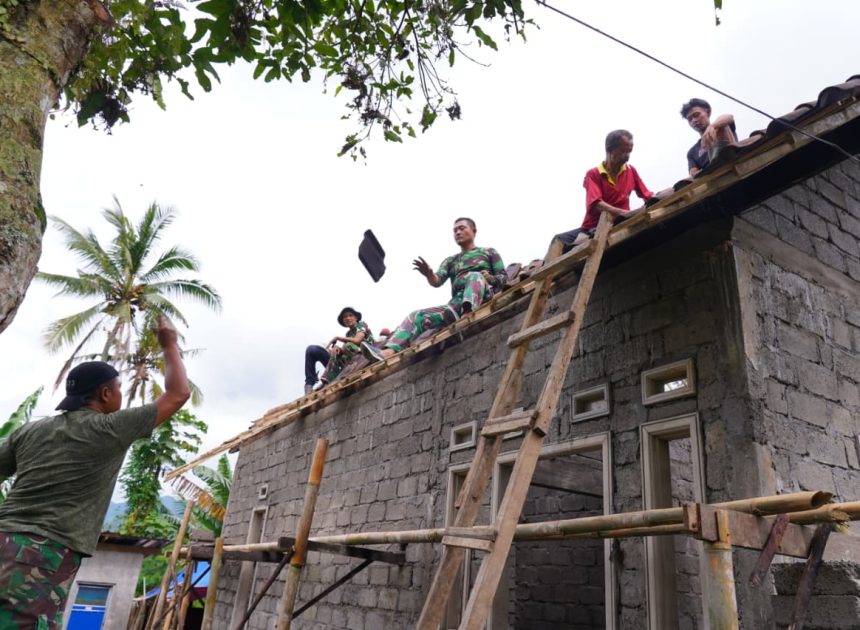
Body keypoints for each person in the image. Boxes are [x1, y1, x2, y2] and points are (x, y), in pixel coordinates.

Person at [0, 316, 190, 627]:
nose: (120, 395)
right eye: (118, 388)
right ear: (104, 394)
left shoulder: (29, 431)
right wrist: (169, 344)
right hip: (42, 553)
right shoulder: (109, 429)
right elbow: (178, 394)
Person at [361, 217, 506, 362]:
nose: (457, 232)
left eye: (462, 228)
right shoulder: (451, 260)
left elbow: (503, 278)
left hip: (482, 297)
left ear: (474, 231)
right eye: (455, 230)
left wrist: (490, 278)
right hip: (456, 307)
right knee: (416, 316)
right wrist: (429, 274)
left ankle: (466, 319)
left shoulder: (488, 252)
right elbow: (437, 281)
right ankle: (387, 353)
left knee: (474, 276)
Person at [554, 130, 653, 252]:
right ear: (609, 150)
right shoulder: (593, 174)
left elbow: (647, 195)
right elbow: (596, 204)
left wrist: (658, 199)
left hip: (619, 222)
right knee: (559, 240)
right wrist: (624, 213)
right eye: (623, 151)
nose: (627, 156)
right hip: (592, 227)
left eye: (629, 151)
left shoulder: (630, 171)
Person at [303, 307, 374, 394]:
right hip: (345, 365)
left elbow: (357, 340)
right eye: (345, 317)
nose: (348, 318)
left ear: (356, 318)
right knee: (312, 350)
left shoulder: (361, 324)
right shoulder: (348, 334)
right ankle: (309, 384)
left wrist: (338, 338)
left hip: (363, 358)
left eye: (350, 315)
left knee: (348, 345)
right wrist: (337, 349)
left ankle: (329, 379)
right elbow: (344, 350)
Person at [680, 98, 737, 176]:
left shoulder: (721, 126)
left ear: (708, 112)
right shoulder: (692, 152)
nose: (694, 120)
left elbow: (729, 117)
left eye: (696, 115)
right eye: (690, 119)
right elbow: (693, 173)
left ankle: (720, 161)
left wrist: (712, 126)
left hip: (731, 162)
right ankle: (714, 166)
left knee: (722, 127)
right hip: (713, 175)